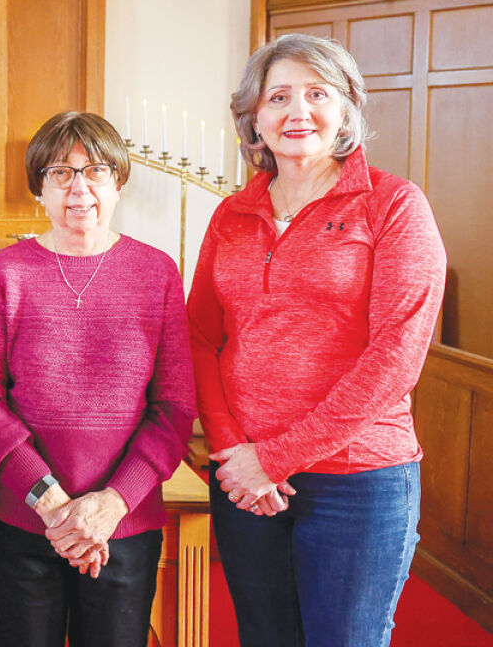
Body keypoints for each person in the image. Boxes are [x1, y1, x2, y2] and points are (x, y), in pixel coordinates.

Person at [187, 34, 446, 647]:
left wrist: (275, 458)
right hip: (245, 476)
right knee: (265, 637)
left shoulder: (394, 205)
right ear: (254, 117)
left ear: (346, 109)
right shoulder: (231, 214)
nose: (297, 111)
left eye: (317, 94)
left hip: (357, 481)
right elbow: (199, 336)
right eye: (278, 97)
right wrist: (231, 449)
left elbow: (396, 357)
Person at [0, 111, 196, 647]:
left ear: (119, 182)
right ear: (39, 188)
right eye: (60, 173)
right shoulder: (6, 272)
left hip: (124, 523)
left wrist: (112, 503)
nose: (79, 188)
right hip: (21, 522)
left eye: (96, 171)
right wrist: (52, 505)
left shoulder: (156, 272)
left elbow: (176, 406)